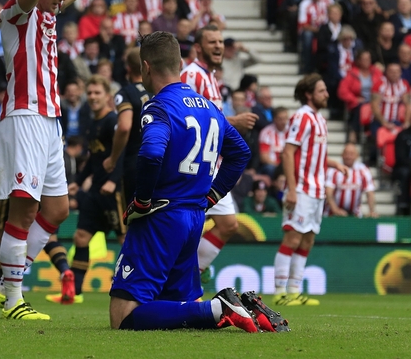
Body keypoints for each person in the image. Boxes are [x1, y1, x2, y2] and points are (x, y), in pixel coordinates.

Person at [109, 31, 285, 333]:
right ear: (180, 63)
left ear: (145, 68)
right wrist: (212, 196)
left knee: (122, 316)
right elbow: (240, 153)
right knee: (179, 307)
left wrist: (142, 201)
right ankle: (240, 308)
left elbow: (151, 154)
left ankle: (219, 307)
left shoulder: (158, 106)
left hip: (161, 217)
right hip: (194, 218)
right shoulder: (209, 107)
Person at [0, 0, 87, 321]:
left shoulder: (49, 12)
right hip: (24, 116)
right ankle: (13, 299)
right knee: (25, 209)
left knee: (58, 210)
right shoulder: (17, 13)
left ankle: (4, 285)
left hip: (50, 119)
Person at [180, 25, 258, 287]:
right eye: (212, 42)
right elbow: (190, 116)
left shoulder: (211, 77)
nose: (218, 46)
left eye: (221, 42)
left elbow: (212, 120)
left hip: (212, 165)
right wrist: (235, 121)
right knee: (188, 226)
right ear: (198, 47)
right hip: (195, 166)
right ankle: (178, 280)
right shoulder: (192, 75)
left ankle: (195, 270)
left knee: (228, 225)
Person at [274, 73, 347, 306]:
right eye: (321, 91)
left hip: (317, 190)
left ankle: (294, 291)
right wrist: (291, 189)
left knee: (307, 240)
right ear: (308, 94)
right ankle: (279, 292)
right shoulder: (302, 117)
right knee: (293, 237)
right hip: (301, 189)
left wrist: (333, 164)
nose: (327, 94)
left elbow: (314, 155)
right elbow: (288, 153)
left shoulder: (320, 120)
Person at [55, 76, 123, 304]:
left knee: (126, 239)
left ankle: (134, 290)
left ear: (107, 96)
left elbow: (123, 154)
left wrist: (113, 180)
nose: (93, 97)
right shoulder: (93, 123)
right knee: (81, 237)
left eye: (97, 93)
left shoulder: (113, 121)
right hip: (95, 191)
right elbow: (94, 159)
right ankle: (74, 293)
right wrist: (79, 180)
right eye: (90, 93)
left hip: (114, 192)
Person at [103, 47, 152, 231]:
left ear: (128, 68)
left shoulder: (125, 93)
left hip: (135, 163)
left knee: (134, 223)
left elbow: (124, 127)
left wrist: (113, 159)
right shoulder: (160, 91)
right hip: (163, 161)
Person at [325, 143, 378, 218]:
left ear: (357, 155)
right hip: (332, 215)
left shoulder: (363, 170)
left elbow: (370, 193)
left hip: (355, 215)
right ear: (342, 155)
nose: (348, 156)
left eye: (351, 154)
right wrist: (336, 210)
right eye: (346, 153)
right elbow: (328, 192)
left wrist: (372, 211)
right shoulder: (334, 170)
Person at [258, 107, 289, 177]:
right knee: (270, 168)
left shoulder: (291, 131)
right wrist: (279, 167)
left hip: (288, 164)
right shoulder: (266, 132)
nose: (283, 122)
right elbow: (264, 157)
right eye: (280, 119)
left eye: (285, 118)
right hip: (273, 166)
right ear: (274, 119)